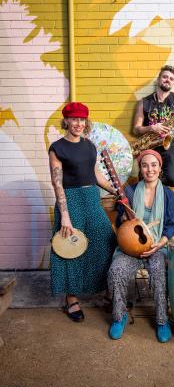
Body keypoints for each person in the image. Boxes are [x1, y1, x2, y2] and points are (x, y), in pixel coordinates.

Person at [49, 102, 117, 322]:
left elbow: (95, 173)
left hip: (91, 198)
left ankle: (107, 291)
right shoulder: (57, 148)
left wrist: (115, 190)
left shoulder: (89, 146)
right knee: (71, 246)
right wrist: (65, 215)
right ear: (66, 121)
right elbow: (57, 184)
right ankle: (71, 299)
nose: (78, 123)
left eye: (82, 119)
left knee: (106, 238)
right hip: (70, 200)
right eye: (74, 119)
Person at [107, 149, 174, 342]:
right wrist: (123, 217)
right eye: (145, 165)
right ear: (140, 168)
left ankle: (162, 320)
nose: (150, 169)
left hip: (156, 246)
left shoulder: (168, 195)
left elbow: (172, 226)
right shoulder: (129, 191)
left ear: (160, 168)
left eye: (154, 165)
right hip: (130, 249)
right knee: (116, 271)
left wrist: (160, 244)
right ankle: (119, 316)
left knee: (158, 272)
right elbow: (121, 225)